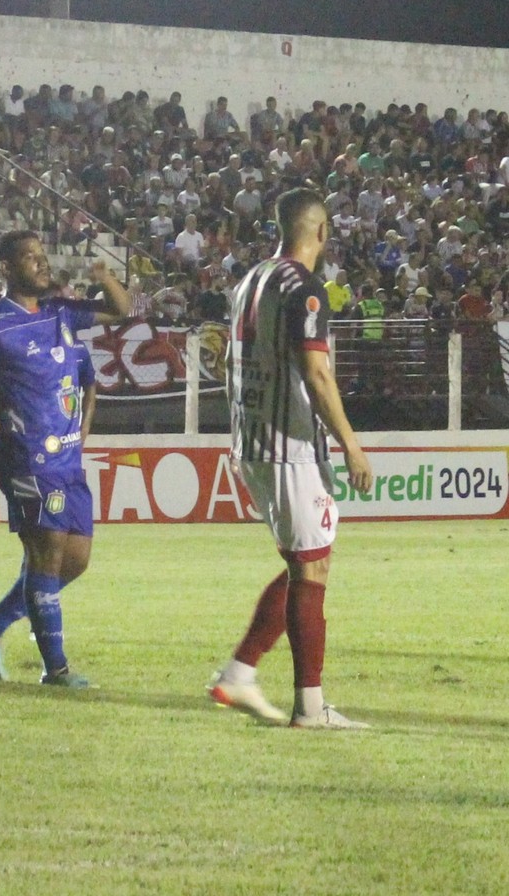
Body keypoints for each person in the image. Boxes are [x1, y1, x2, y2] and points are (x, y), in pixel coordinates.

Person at [207, 187, 373, 730]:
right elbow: (316, 373)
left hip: (253, 439)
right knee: (311, 569)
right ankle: (310, 706)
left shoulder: (250, 280)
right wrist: (351, 444)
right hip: (288, 447)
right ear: (320, 232)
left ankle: (240, 672)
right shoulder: (304, 287)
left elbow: (230, 361)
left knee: (308, 562)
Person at [0, 230, 130, 688]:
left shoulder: (61, 312)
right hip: (26, 459)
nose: (41, 263)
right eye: (30, 257)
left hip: (67, 460)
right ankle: (56, 670)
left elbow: (122, 310)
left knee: (75, 560)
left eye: (42, 256)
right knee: (46, 555)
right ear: (6, 269)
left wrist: (104, 277)